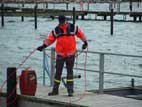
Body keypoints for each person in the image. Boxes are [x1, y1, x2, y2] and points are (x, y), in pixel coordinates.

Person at [37, 15, 88, 97]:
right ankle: (55, 90)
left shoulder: (73, 27)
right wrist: (43, 46)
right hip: (60, 55)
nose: (61, 24)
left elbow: (81, 34)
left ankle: (70, 91)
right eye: (60, 22)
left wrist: (85, 42)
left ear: (65, 20)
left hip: (71, 54)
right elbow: (50, 39)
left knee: (70, 73)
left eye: (62, 22)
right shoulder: (56, 30)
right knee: (58, 73)